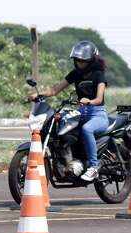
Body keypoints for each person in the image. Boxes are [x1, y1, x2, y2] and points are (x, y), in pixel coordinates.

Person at [29, 40, 108, 181]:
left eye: (83, 61)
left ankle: (94, 167)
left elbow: (99, 98)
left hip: (98, 115)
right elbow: (54, 91)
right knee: (63, 129)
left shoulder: (98, 75)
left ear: (90, 61)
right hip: (81, 113)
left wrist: (89, 101)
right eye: (77, 60)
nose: (79, 63)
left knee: (87, 129)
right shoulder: (75, 74)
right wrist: (39, 94)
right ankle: (69, 162)